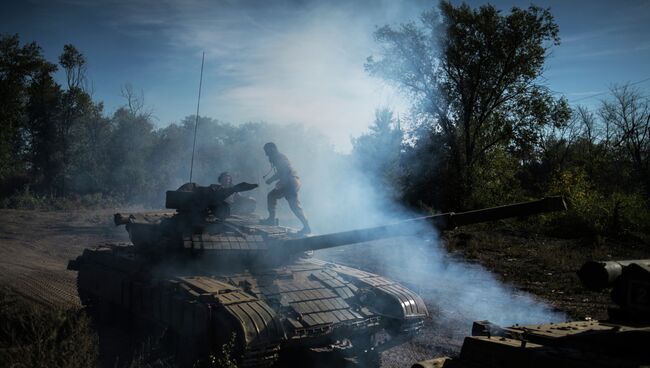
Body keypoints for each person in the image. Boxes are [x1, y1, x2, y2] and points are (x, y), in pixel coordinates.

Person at [261, 142, 311, 234]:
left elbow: (285, 171)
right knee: (274, 197)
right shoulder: (277, 158)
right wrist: (271, 180)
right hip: (291, 182)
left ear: (272, 149)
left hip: (290, 183)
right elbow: (281, 172)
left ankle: (306, 227)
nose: (266, 154)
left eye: (266, 150)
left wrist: (280, 182)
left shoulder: (279, 158)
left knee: (293, 205)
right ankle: (306, 226)